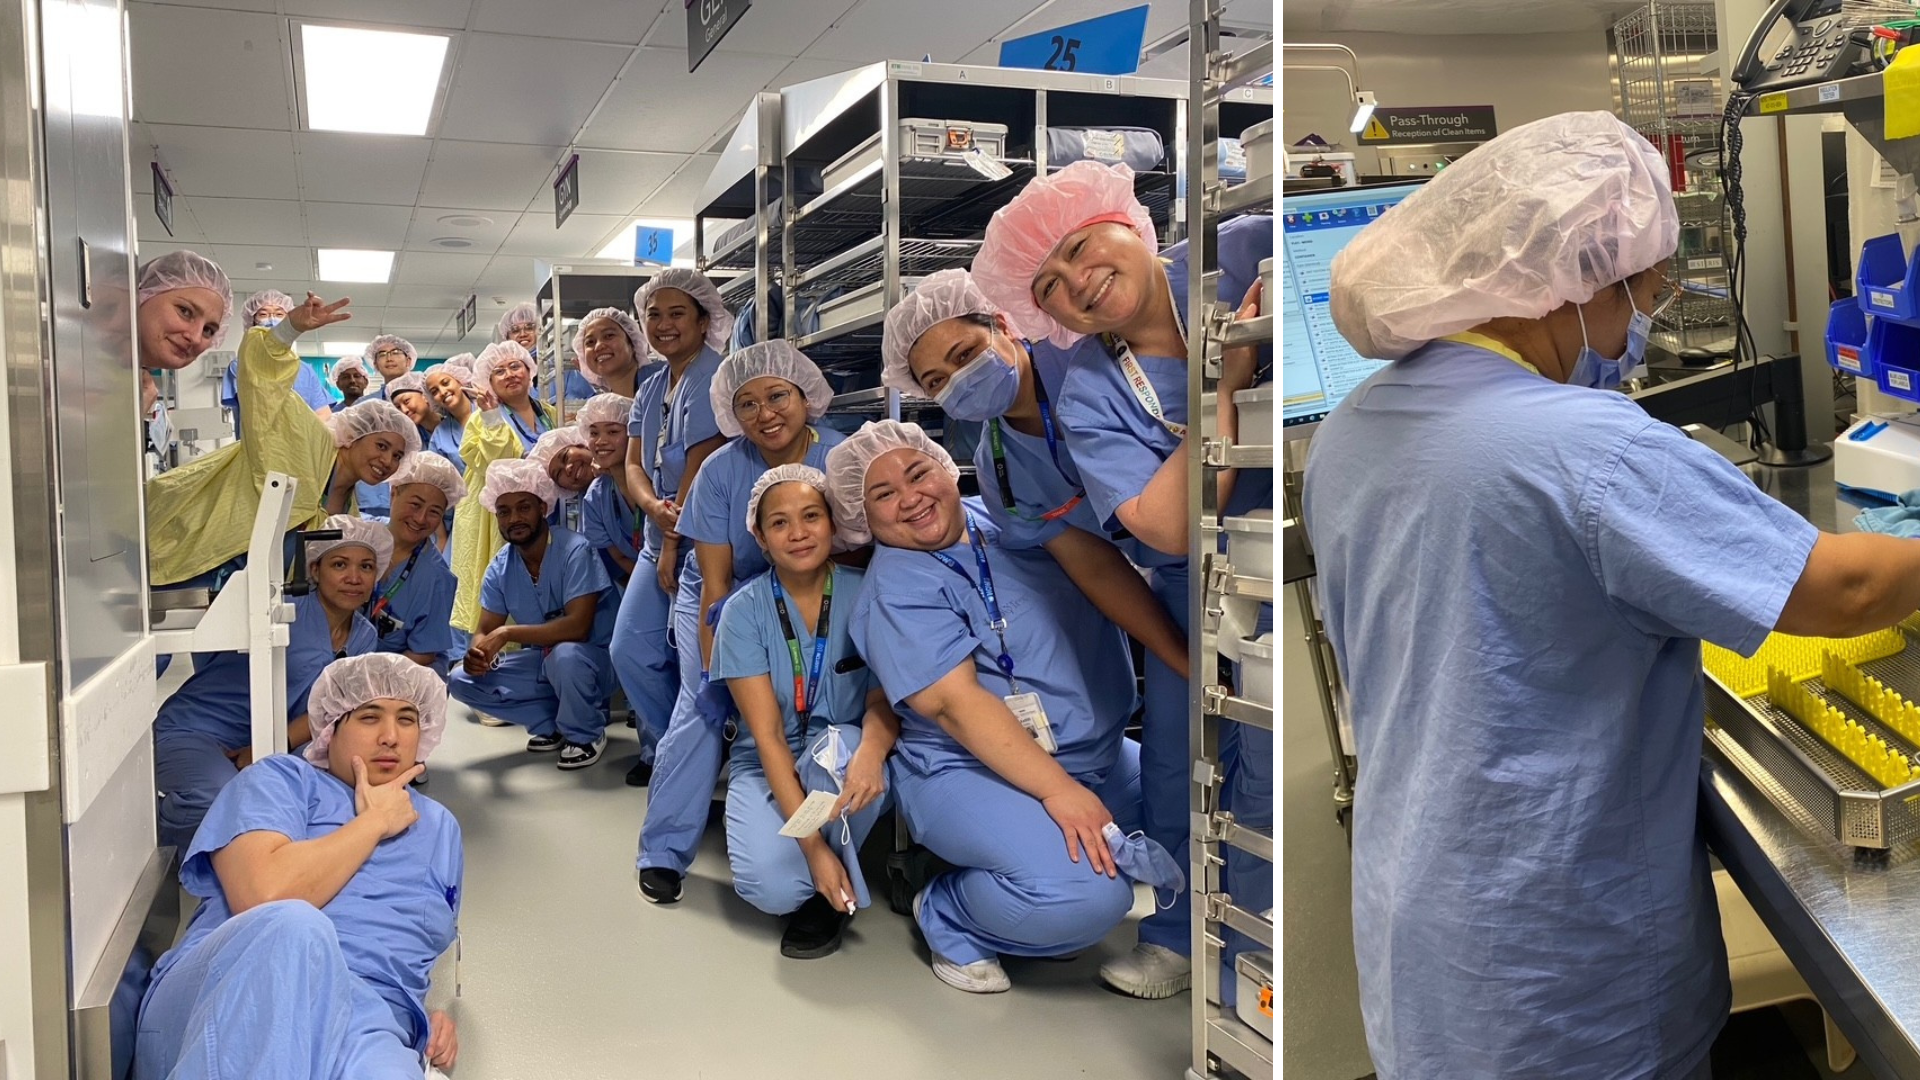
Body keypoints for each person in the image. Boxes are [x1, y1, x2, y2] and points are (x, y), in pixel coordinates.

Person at [1296, 110, 1920, 1079]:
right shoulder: (1589, 449)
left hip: (1424, 940)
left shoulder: (1352, 430)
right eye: (1639, 301)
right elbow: (1839, 592)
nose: (1635, 338)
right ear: (1572, 280)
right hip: (1566, 977)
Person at [974, 159, 1272, 998]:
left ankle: (1258, 951)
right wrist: (1232, 372)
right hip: (1198, 591)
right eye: (1052, 285)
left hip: (1305, 555)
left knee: (1275, 771)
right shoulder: (1094, 393)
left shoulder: (1243, 249)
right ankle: (1182, 938)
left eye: (1080, 247)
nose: (1079, 280)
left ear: (1126, 221)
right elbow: (1169, 525)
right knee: (1179, 770)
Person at [828, 422, 1159, 995]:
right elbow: (957, 706)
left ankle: (1026, 863)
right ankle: (949, 913)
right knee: (1090, 896)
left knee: (1194, 812)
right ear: (863, 518)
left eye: (918, 473)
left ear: (947, 467)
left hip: (1093, 750)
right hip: (965, 770)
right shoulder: (895, 590)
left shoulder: (1011, 521)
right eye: (882, 495)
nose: (910, 499)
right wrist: (1058, 791)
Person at [133, 654, 461, 1080]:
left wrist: (430, 1014)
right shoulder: (279, 781)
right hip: (229, 996)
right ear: (330, 729)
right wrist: (374, 823)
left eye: (407, 719)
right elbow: (263, 895)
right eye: (368, 717)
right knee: (295, 927)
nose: (390, 737)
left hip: (367, 1019)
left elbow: (419, 944)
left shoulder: (440, 828)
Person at [637, 340, 843, 904]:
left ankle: (824, 835)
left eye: (776, 396)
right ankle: (664, 850)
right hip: (726, 607)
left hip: (814, 605)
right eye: (746, 404)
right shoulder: (721, 470)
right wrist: (714, 670)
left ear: (806, 395)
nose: (764, 414)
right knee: (700, 714)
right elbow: (715, 584)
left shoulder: (842, 458)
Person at [712, 465, 899, 958]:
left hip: (848, 755)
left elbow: (883, 698)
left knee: (841, 756)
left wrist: (872, 754)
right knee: (770, 889)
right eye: (780, 523)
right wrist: (812, 850)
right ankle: (826, 866)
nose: (798, 533)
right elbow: (768, 736)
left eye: (811, 516)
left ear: (833, 522)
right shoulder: (742, 612)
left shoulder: (868, 592)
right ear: (760, 537)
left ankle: (829, 893)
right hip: (767, 764)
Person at [153, 517, 388, 851]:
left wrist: (267, 749)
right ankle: (159, 834)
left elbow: (335, 707)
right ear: (315, 570)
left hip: (276, 739)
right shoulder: (278, 612)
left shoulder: (365, 636)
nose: (354, 578)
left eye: (366, 567)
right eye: (339, 564)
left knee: (310, 800)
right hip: (197, 729)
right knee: (219, 801)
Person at [146, 290, 394, 589]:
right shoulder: (298, 442)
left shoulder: (347, 505)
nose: (387, 461)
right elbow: (262, 378)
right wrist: (288, 329)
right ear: (353, 436)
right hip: (194, 560)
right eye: (382, 446)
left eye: (397, 456)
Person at [612, 268, 734, 787]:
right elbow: (633, 461)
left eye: (676, 312)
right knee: (631, 648)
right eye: (653, 315)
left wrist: (672, 534)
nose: (663, 324)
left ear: (705, 319)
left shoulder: (715, 375)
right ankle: (671, 755)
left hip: (705, 536)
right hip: (661, 530)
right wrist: (652, 510)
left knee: (699, 663)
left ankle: (706, 764)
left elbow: (705, 458)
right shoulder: (653, 384)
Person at [449, 458, 619, 770]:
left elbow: (578, 627)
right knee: (460, 679)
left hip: (595, 662)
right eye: (504, 511)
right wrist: (477, 653)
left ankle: (584, 733)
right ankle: (550, 724)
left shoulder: (575, 550)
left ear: (543, 507)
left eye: (524, 507)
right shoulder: (500, 567)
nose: (514, 518)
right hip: (547, 662)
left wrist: (508, 633)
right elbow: (486, 628)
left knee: (565, 656)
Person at [448, 341, 556, 689]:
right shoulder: (481, 419)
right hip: (495, 523)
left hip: (545, 521)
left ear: (530, 370)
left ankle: (540, 682)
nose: (510, 374)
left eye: (516, 366)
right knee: (497, 598)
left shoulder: (549, 413)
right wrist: (493, 415)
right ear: (488, 381)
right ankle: (491, 683)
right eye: (499, 370)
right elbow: (499, 462)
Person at [371, 453, 462, 672]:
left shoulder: (436, 578)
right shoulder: (362, 538)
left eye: (434, 512)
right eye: (415, 504)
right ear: (394, 493)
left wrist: (372, 677)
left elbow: (423, 654)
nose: (421, 518)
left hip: (404, 671)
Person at [137, 252, 232, 452]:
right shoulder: (77, 366)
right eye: (185, 311)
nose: (196, 337)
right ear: (143, 293)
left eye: (208, 330)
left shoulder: (135, 386)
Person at [222, 289, 333, 438]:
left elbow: (323, 414)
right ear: (252, 322)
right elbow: (258, 411)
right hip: (258, 452)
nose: (272, 319)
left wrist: (301, 437)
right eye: (263, 314)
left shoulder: (304, 370)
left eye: (279, 314)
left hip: (300, 451)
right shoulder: (241, 366)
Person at [577, 392, 641, 585]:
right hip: (640, 575)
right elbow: (619, 557)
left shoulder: (658, 481)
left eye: (613, 432)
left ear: (634, 434)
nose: (600, 441)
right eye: (594, 433)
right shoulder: (596, 497)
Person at [356, 336, 419, 518]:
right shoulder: (365, 405)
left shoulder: (425, 400)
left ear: (409, 360)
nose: (389, 358)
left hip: (415, 489)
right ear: (375, 364)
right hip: (371, 495)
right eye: (382, 354)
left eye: (395, 352)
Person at [498, 300, 595, 404]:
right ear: (507, 338)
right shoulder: (502, 375)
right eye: (515, 330)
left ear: (541, 331)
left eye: (530, 327)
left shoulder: (561, 369)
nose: (523, 334)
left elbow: (586, 404)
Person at [574, 306, 649, 400]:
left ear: (632, 343)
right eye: (590, 342)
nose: (598, 346)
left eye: (609, 335)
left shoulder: (662, 385)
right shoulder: (607, 407)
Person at [423, 354, 479, 473]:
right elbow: (438, 476)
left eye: (445, 383)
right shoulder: (439, 436)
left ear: (459, 382)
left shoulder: (490, 411)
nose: (442, 392)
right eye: (434, 391)